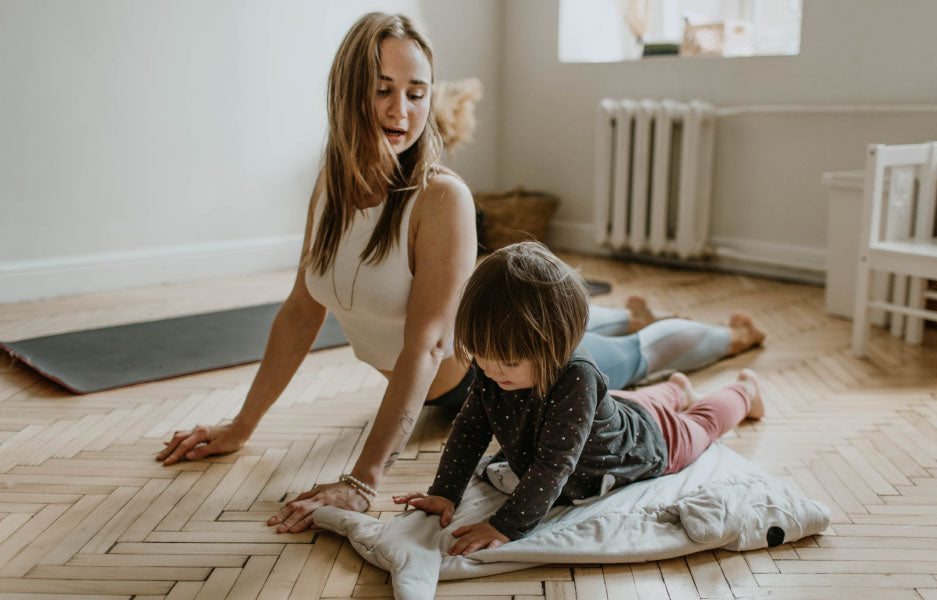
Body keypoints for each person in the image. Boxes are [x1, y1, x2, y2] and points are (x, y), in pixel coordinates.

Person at [155, 12, 763, 534]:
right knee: (618, 350)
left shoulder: (439, 197)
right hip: (480, 370)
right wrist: (242, 425)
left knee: (631, 355)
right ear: (346, 91)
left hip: (511, 374)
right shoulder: (330, 188)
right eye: (383, 88)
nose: (402, 110)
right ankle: (641, 341)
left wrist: (362, 481)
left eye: (417, 92)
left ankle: (729, 340)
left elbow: (426, 345)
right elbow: (299, 312)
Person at [392, 242, 764, 554]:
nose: (491, 371)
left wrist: (505, 526)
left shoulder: (577, 377)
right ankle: (677, 388)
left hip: (648, 441)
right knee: (633, 404)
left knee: (701, 423)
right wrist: (445, 492)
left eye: (508, 362)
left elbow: (554, 465)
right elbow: (471, 428)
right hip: (615, 410)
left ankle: (744, 391)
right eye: (481, 357)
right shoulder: (494, 367)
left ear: (556, 346)